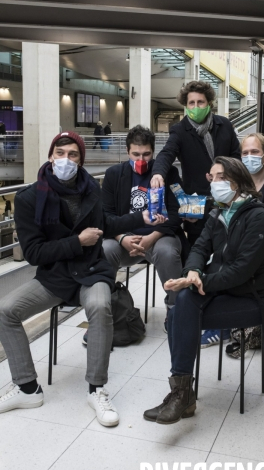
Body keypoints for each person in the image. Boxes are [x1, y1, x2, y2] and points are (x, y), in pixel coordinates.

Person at [0, 131, 165, 425]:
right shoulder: (29, 199)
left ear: (81, 159)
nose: (65, 159)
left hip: (91, 271)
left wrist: (141, 219)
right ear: (51, 156)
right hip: (56, 277)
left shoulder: (90, 188)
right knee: (6, 310)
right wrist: (78, 241)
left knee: (101, 308)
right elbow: (34, 253)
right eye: (60, 153)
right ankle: (27, 387)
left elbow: (106, 223)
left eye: (73, 154)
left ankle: (96, 388)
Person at [143, 156, 264, 425]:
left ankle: (183, 396)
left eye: (220, 178)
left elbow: (241, 271)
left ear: (238, 182)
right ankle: (182, 393)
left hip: (253, 298)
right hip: (223, 290)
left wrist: (198, 280)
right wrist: (191, 272)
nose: (214, 183)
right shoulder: (218, 212)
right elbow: (200, 248)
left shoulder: (259, 217)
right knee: (182, 303)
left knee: (182, 310)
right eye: (212, 177)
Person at [209, 132, 264, 357]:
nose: (250, 157)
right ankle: (233, 323)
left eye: (255, 152)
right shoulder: (231, 184)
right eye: (245, 153)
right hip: (238, 249)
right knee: (220, 269)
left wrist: (262, 253)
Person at [100, 125, 186, 333]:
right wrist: (122, 238)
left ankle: (176, 309)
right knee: (105, 250)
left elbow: (177, 213)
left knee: (167, 252)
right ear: (127, 152)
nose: (141, 159)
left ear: (153, 152)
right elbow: (105, 216)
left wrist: (151, 238)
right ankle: (105, 311)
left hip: (159, 237)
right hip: (124, 239)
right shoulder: (113, 175)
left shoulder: (169, 173)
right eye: (136, 154)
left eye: (146, 154)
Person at [150, 80, 241, 246]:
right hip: (197, 202)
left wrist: (225, 175)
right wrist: (158, 173)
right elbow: (167, 152)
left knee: (228, 245)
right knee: (198, 247)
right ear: (186, 105)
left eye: (200, 102)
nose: (196, 107)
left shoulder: (225, 125)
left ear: (209, 104)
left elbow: (237, 158)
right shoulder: (180, 130)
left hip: (227, 197)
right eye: (191, 103)